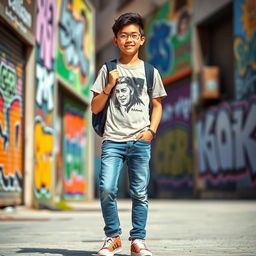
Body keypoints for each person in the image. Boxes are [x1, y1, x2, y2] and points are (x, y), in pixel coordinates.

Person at [91, 12, 167, 256]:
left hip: (139, 140)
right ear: (115, 40)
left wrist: (151, 131)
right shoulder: (108, 69)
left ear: (142, 40)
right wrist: (109, 86)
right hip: (113, 139)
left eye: (134, 35)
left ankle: (138, 240)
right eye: (123, 35)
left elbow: (157, 105)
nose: (129, 40)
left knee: (140, 192)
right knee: (106, 188)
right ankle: (113, 237)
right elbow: (94, 107)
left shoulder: (150, 71)